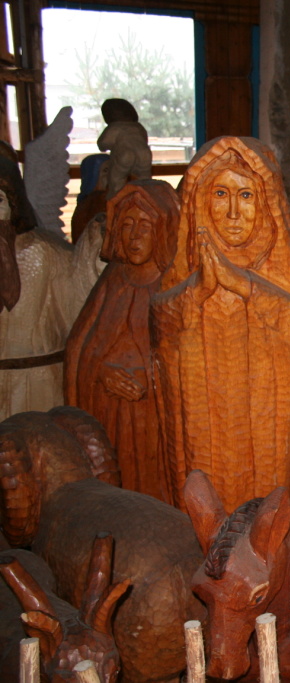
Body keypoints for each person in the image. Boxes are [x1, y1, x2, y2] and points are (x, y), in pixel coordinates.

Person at [151, 136, 290, 511]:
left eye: (246, 196)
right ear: (201, 202)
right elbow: (162, 327)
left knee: (262, 514)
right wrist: (198, 291)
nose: (234, 213)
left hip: (265, 427)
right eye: (221, 194)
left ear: (265, 202)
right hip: (202, 425)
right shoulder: (184, 273)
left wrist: (244, 286)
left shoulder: (287, 275)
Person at [65, 180, 179, 502]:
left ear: (164, 230)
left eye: (145, 225)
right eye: (126, 225)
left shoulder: (177, 285)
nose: (134, 236)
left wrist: (151, 378)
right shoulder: (112, 281)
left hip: (156, 426)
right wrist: (101, 372)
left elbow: (193, 359)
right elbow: (79, 349)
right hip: (109, 417)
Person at [0, 157, 104, 418]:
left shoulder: (46, 252)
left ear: (13, 204)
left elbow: (78, 301)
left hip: (39, 384)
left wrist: (92, 247)